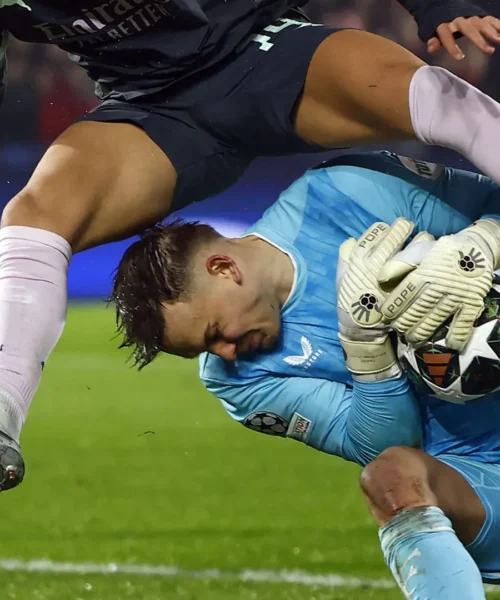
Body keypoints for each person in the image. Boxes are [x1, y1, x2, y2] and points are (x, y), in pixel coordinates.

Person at [0, 2, 499, 492]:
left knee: (437, 97)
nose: (226, 352)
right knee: (33, 220)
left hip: (255, 45)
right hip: (150, 105)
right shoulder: (232, 376)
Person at [113, 150, 500, 599]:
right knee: (390, 478)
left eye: (216, 332)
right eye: (204, 349)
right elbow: (383, 443)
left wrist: (481, 243)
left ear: (224, 268)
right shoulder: (233, 380)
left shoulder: (343, 190)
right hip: (482, 479)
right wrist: (365, 346)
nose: (225, 353)